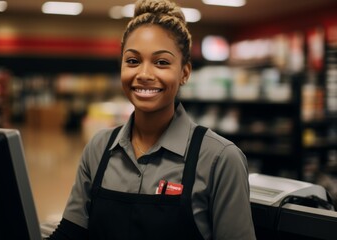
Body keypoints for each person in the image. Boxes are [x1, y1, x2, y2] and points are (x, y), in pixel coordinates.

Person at [48, 0, 256, 239]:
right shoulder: (99, 148)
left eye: (162, 62)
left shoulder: (220, 159)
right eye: (133, 61)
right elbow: (71, 233)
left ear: (185, 73)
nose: (144, 74)